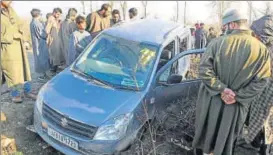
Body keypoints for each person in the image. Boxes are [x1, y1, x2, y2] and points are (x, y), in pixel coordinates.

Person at [192, 9, 272, 155]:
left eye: (226, 25)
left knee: (205, 139)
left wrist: (222, 89)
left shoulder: (217, 43)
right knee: (227, 143)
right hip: (236, 107)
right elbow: (261, 81)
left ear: (233, 25)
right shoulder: (261, 50)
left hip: (210, 102)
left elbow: (204, 71)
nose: (224, 28)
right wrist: (237, 96)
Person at [233, 14, 273, 155]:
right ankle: (258, 144)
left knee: (265, 129)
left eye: (256, 33)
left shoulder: (266, 51)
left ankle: (263, 148)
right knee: (259, 127)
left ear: (264, 34)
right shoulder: (261, 48)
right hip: (258, 98)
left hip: (266, 99)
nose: (253, 36)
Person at [1, 1, 36, 103]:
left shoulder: (11, 10)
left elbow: (19, 23)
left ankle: (27, 91)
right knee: (12, 73)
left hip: (19, 47)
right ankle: (15, 94)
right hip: (7, 49)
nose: (10, 1)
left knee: (25, 70)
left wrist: (22, 34)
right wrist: (12, 36)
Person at [30, 9, 50, 80]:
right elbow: (43, 34)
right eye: (41, 14)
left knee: (40, 58)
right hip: (40, 43)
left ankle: (43, 74)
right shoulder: (37, 23)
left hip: (36, 43)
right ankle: (43, 76)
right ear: (38, 14)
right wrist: (47, 30)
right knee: (43, 58)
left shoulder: (32, 22)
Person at [48, 8, 63, 74]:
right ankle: (53, 68)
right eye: (57, 14)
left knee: (57, 53)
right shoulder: (51, 18)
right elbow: (47, 30)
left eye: (59, 14)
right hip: (53, 38)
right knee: (54, 53)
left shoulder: (55, 19)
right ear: (54, 12)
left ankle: (55, 67)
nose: (58, 15)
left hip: (56, 38)